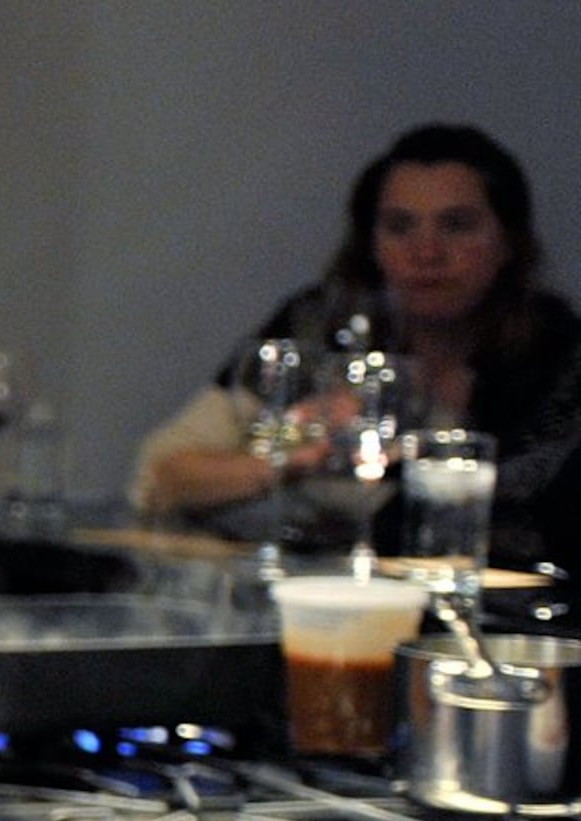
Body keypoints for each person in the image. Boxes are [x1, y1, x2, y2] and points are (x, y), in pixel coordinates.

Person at [129, 123, 581, 560]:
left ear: (508, 242)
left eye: (456, 225)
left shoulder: (559, 354)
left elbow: (529, 519)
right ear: (370, 243)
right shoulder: (318, 325)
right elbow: (161, 475)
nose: (426, 253)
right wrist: (300, 454)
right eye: (400, 227)